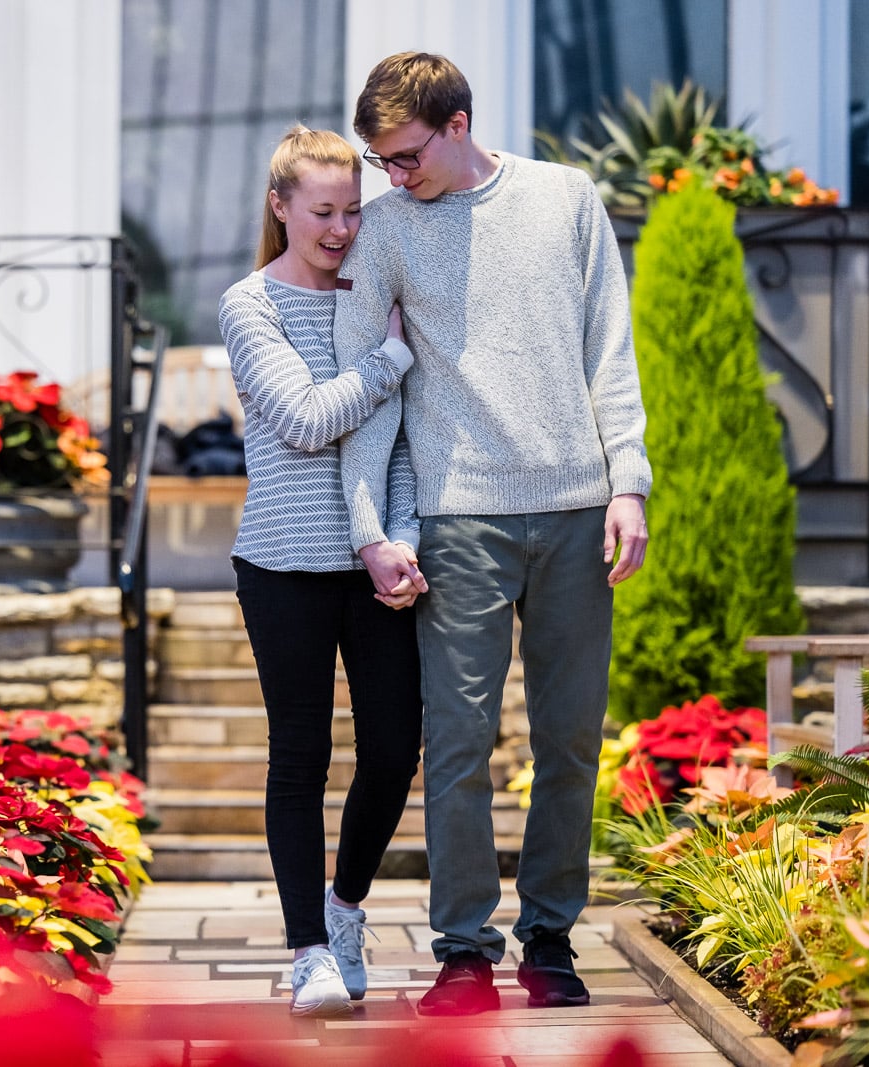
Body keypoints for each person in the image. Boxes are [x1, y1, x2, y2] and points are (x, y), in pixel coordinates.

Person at [333, 53, 652, 1017]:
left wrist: (627, 482)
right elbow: (369, 394)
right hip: (459, 516)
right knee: (460, 738)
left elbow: (611, 347)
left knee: (567, 738)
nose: (393, 176)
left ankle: (549, 939)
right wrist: (370, 530)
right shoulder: (386, 231)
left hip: (572, 508)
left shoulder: (566, 198)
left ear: (459, 124)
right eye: (381, 160)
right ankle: (463, 952)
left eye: (406, 155)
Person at [217, 125, 426, 1019]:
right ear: (281, 206)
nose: (341, 229)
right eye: (323, 211)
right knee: (299, 756)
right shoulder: (249, 305)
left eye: (352, 210)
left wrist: (405, 536)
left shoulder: (368, 297)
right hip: (281, 565)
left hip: (376, 564)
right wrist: (388, 357)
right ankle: (308, 950)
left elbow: (399, 443)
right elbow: (303, 420)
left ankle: (346, 908)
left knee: (391, 748)